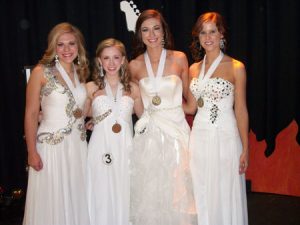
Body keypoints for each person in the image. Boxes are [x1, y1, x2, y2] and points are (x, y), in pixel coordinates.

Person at [129, 9, 197, 225]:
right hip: (149, 136)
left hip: (177, 132)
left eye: (156, 28)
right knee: (151, 190)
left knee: (180, 190)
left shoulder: (179, 58)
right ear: (139, 34)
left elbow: (191, 103)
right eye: (145, 30)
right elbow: (135, 105)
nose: (152, 34)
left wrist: (176, 109)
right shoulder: (134, 65)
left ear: (164, 31)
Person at [23, 22, 90, 225]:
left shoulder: (82, 72)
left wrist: (93, 119)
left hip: (78, 146)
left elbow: (83, 108)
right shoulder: (41, 72)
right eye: (61, 44)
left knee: (76, 197)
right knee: (51, 199)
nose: (67, 49)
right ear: (53, 46)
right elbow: (31, 113)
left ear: (78, 46)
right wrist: (31, 151)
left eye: (71, 44)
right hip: (52, 147)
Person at [185, 12, 249, 225]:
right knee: (201, 191)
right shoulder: (193, 69)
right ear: (198, 36)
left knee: (224, 190)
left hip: (225, 137)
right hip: (199, 138)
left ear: (222, 34)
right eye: (203, 32)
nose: (208, 37)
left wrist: (246, 149)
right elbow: (191, 108)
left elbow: (240, 109)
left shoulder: (236, 67)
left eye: (213, 31)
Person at [86, 38, 143, 225]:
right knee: (101, 192)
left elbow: (144, 120)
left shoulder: (133, 88)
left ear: (123, 60)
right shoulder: (90, 88)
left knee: (124, 191)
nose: (111, 63)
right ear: (99, 61)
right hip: (99, 150)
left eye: (116, 57)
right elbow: (79, 115)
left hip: (126, 149)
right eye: (106, 58)